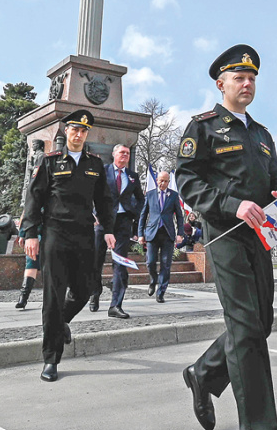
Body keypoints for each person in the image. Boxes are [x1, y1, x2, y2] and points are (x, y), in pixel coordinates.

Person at [175, 44, 277, 430]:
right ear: (221, 84)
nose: (247, 84)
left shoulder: (261, 134)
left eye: (252, 78)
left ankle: (204, 373)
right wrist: (232, 204)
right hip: (225, 235)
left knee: (260, 323)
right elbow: (187, 180)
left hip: (262, 235)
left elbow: (275, 177)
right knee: (246, 332)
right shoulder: (204, 127)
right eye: (238, 78)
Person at [22, 109, 115, 382]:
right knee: (53, 295)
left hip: (84, 234)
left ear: (87, 134)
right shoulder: (50, 161)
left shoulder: (95, 164)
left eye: (84, 131)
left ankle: (61, 322)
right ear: (66, 131)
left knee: (87, 288)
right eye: (75, 129)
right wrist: (31, 233)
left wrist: (109, 229)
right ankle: (51, 359)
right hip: (55, 233)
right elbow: (34, 198)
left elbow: (104, 200)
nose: (79, 134)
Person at [92, 144, 144, 318]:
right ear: (114, 154)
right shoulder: (103, 171)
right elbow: (91, 192)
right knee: (96, 260)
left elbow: (141, 199)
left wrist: (134, 214)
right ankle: (95, 292)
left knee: (120, 263)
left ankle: (115, 305)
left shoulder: (132, 176)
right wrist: (93, 213)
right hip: (103, 221)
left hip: (123, 223)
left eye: (128, 153)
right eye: (122, 152)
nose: (125, 155)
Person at [138, 170, 183, 303]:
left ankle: (161, 292)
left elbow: (179, 216)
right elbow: (143, 215)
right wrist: (140, 234)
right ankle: (153, 280)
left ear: (169, 182)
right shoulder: (150, 194)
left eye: (165, 181)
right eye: (160, 180)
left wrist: (180, 233)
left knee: (166, 264)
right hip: (152, 233)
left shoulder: (173, 195)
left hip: (167, 234)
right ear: (157, 180)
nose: (162, 183)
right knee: (150, 262)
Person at [15, 215, 41, 309]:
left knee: (32, 264)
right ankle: (23, 297)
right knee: (31, 264)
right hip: (36, 235)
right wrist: (22, 234)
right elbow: (26, 214)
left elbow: (27, 214)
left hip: (40, 234)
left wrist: (22, 234)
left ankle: (23, 298)